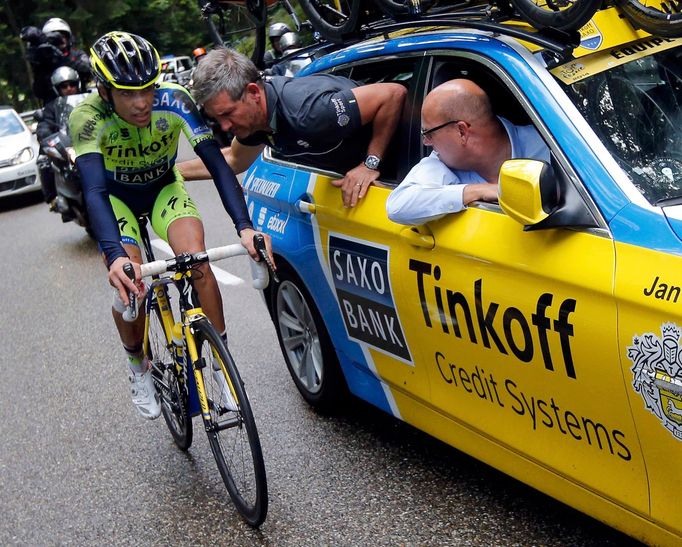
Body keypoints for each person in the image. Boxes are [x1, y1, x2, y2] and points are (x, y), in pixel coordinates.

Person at [69, 31, 271, 420]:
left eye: (147, 88)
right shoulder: (88, 117)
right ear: (105, 92)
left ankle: (221, 366)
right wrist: (114, 257)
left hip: (163, 188)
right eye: (128, 93)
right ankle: (137, 367)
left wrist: (244, 227)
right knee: (131, 287)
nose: (142, 102)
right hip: (116, 199)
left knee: (197, 262)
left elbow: (218, 164)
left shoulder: (174, 99)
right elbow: (93, 191)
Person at [177, 48, 407, 208]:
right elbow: (234, 159)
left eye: (227, 114)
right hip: (378, 192)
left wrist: (369, 164)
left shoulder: (309, 110)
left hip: (409, 168)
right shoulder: (255, 122)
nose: (225, 126)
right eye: (217, 118)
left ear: (254, 93)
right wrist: (170, 172)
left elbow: (392, 94)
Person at [386, 79, 551, 225]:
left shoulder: (550, 145)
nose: (426, 142)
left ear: (462, 131)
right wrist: (477, 191)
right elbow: (398, 205)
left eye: (429, 133)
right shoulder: (443, 161)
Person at [36, 66, 82, 210]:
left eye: (72, 84)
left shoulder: (88, 100)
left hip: (87, 140)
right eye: (64, 86)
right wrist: (44, 133)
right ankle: (53, 197)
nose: (69, 88)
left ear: (78, 84)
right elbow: (44, 125)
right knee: (43, 159)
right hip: (65, 144)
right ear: (57, 88)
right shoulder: (51, 107)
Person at [20, 17, 90, 104]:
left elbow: (88, 70)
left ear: (69, 38)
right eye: (56, 38)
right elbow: (39, 92)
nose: (61, 40)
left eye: (63, 36)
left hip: (81, 102)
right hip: (54, 108)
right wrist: (41, 64)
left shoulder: (77, 54)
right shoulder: (44, 60)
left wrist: (62, 60)